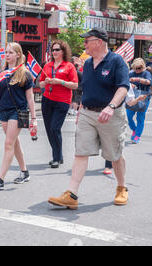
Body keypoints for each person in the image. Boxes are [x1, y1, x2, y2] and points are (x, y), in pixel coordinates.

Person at [48, 27, 130, 209]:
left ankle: (121, 188)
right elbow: (86, 88)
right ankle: (72, 194)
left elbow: (123, 87)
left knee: (115, 155)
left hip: (111, 114)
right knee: (80, 152)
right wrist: (80, 109)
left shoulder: (116, 61)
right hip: (87, 113)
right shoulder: (87, 63)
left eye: (87, 40)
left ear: (99, 42)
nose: (84, 44)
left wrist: (111, 106)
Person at [0, 42, 37, 190]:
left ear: (18, 55)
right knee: (14, 142)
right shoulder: (3, 73)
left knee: (8, 143)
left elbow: (30, 98)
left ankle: (0, 179)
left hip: (18, 112)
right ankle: (25, 171)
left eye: (11, 52)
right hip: (4, 111)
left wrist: (34, 119)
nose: (7, 55)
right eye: (6, 52)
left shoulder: (25, 73)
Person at [39, 40, 79, 168]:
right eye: (53, 50)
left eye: (57, 50)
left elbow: (75, 85)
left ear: (63, 51)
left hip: (62, 101)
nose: (54, 52)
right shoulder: (47, 65)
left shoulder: (69, 66)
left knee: (55, 128)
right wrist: (45, 83)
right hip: (47, 99)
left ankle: (56, 157)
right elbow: (40, 83)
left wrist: (59, 82)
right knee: (49, 130)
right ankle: (58, 156)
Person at [125, 58, 151, 144]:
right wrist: (130, 84)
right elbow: (125, 82)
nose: (137, 70)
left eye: (139, 68)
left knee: (140, 118)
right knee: (129, 116)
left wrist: (138, 80)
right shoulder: (131, 73)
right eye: (135, 68)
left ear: (143, 66)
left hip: (143, 97)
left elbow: (148, 82)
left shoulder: (146, 73)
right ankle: (134, 130)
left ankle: (137, 136)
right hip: (132, 97)